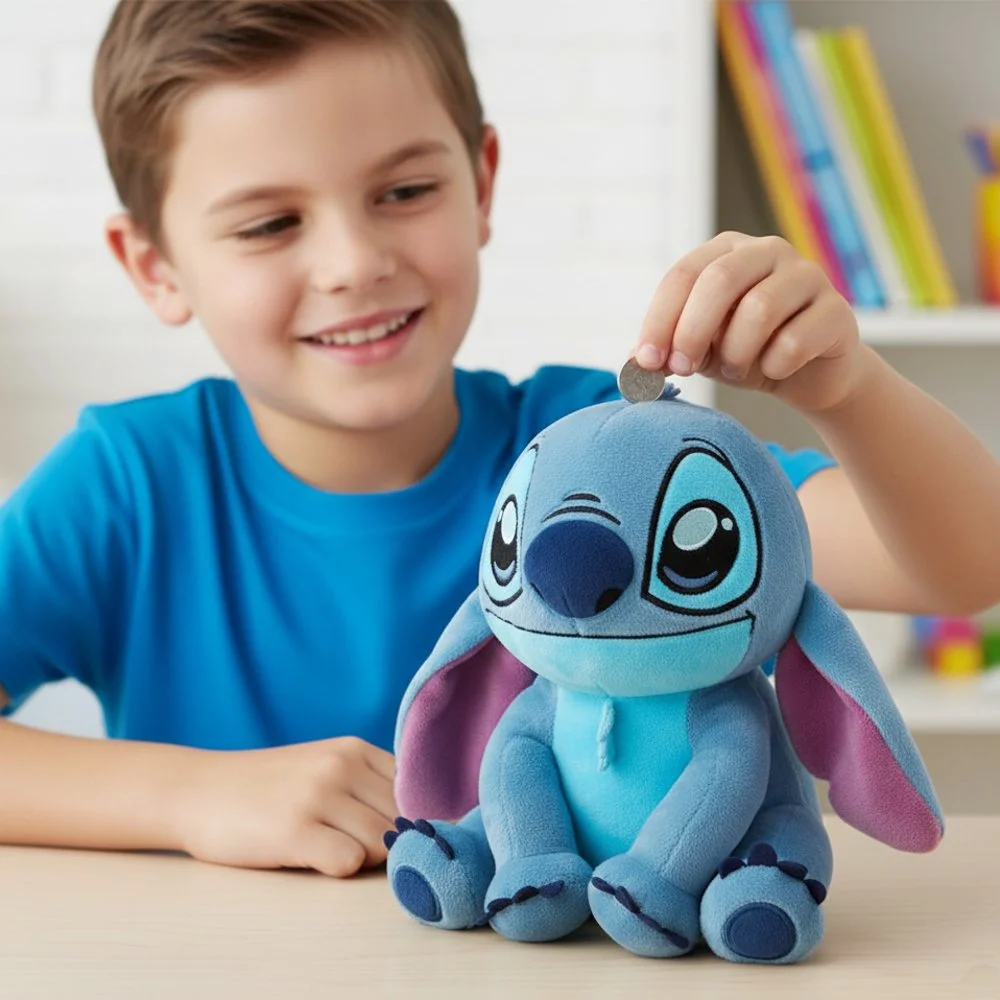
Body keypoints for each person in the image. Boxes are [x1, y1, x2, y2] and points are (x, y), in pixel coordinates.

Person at [0, 1, 998, 880]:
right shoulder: (124, 484)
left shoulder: (601, 451)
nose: (353, 262)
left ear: (481, 182)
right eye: (268, 224)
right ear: (154, 264)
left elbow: (964, 566)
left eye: (403, 191)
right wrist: (189, 796)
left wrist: (847, 388)